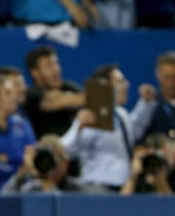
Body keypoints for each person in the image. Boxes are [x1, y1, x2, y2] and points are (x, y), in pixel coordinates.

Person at [61, 64, 144, 192]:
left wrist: (146, 104)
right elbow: (65, 151)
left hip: (124, 189)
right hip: (97, 189)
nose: (126, 85)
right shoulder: (90, 117)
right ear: (105, 87)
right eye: (120, 81)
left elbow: (136, 131)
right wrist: (78, 126)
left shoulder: (121, 114)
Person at [23, 45, 83, 138]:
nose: (56, 69)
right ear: (35, 73)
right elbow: (57, 100)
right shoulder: (32, 95)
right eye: (48, 66)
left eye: (56, 63)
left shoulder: (68, 87)